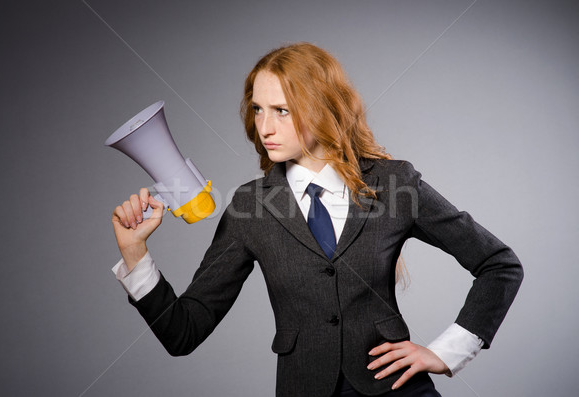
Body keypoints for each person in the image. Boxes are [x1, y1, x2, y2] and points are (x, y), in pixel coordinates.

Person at [111, 43, 523, 397]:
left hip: (396, 389)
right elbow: (183, 332)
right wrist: (135, 256)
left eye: (282, 110)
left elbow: (499, 265)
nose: (265, 127)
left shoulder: (395, 183)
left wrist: (448, 351)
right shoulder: (248, 206)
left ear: (323, 108)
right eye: (258, 109)